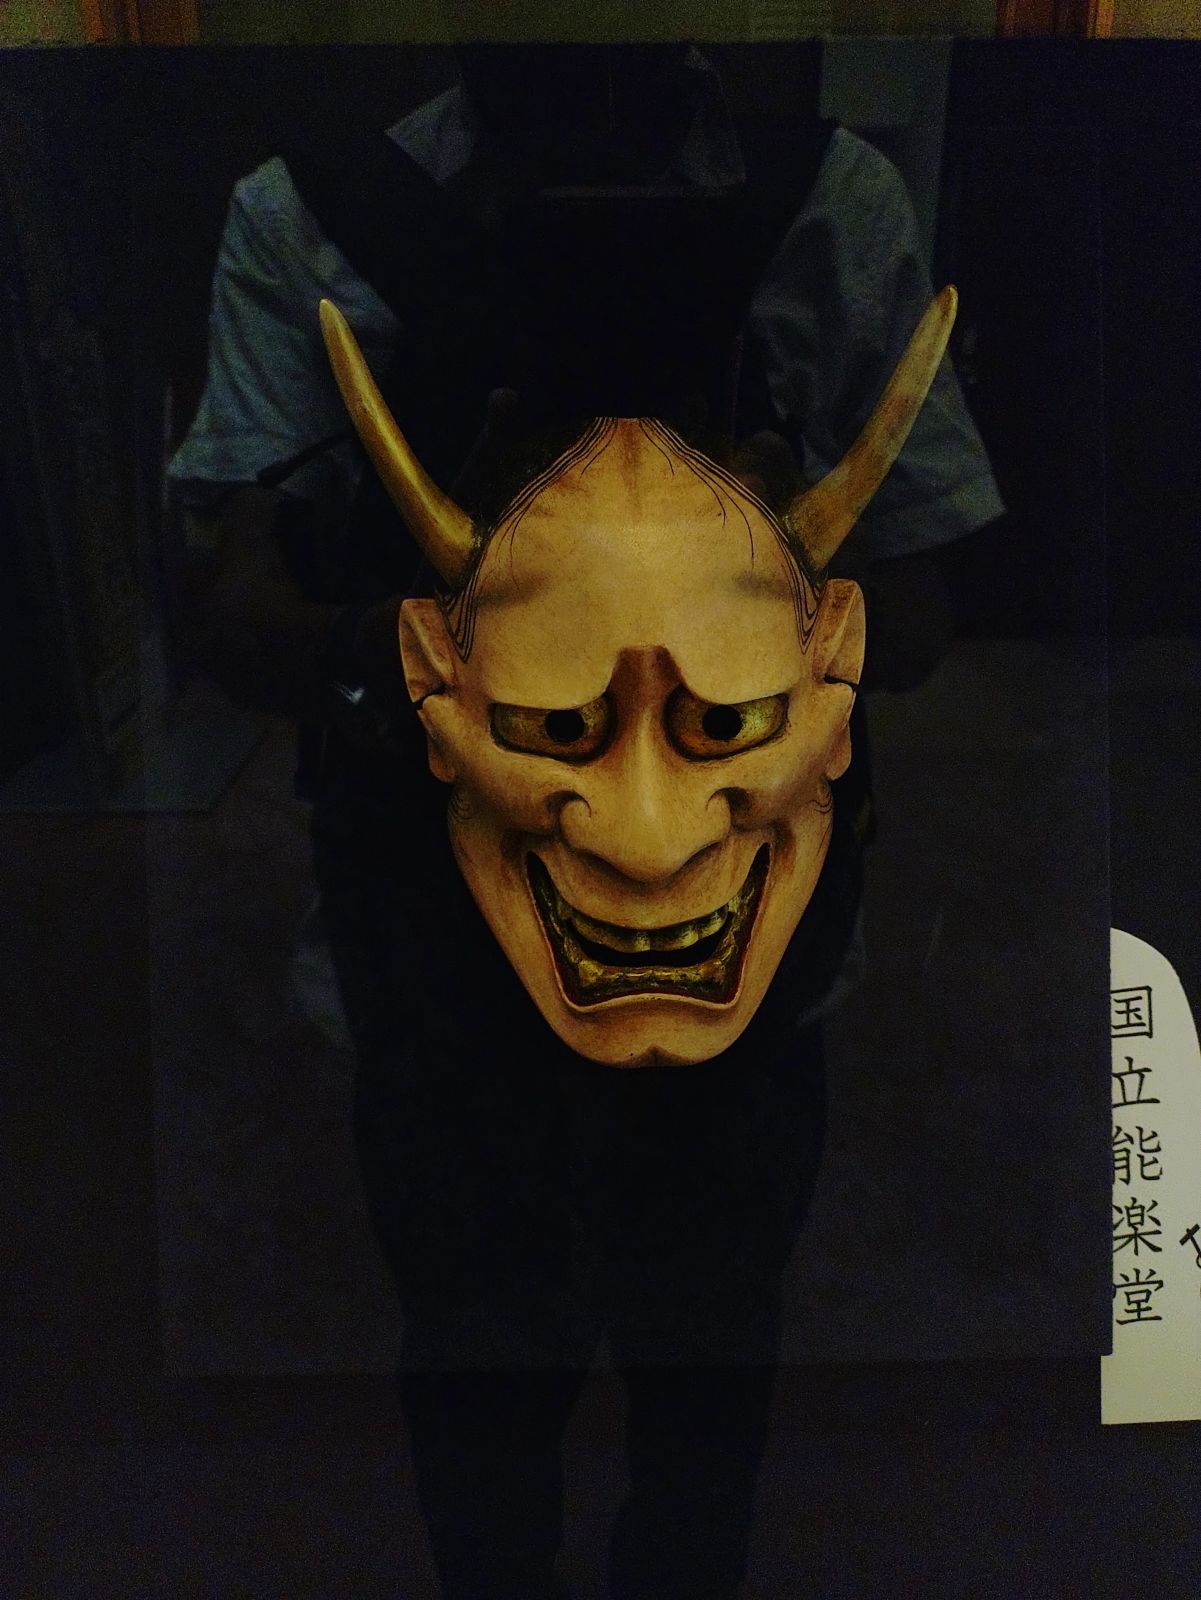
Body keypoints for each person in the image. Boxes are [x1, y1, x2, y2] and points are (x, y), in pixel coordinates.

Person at [170, 43, 1002, 1600]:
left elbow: (915, 613)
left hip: (712, 937)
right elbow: (233, 611)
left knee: (700, 1346)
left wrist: (752, 583)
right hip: (438, 933)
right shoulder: (310, 215)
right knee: (488, 1347)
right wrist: (445, 636)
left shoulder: (829, 202)